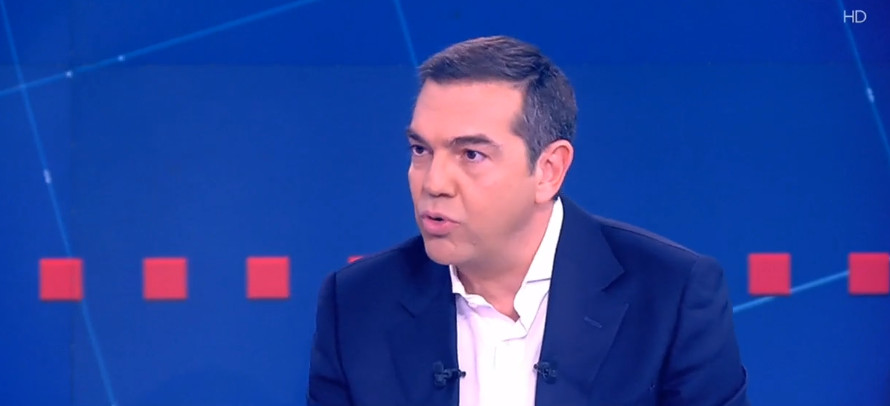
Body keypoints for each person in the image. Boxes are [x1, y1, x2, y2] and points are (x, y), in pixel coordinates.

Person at [306, 35, 749, 406]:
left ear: (548, 170)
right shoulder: (358, 304)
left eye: (471, 154)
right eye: (421, 150)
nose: (434, 182)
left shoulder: (670, 295)